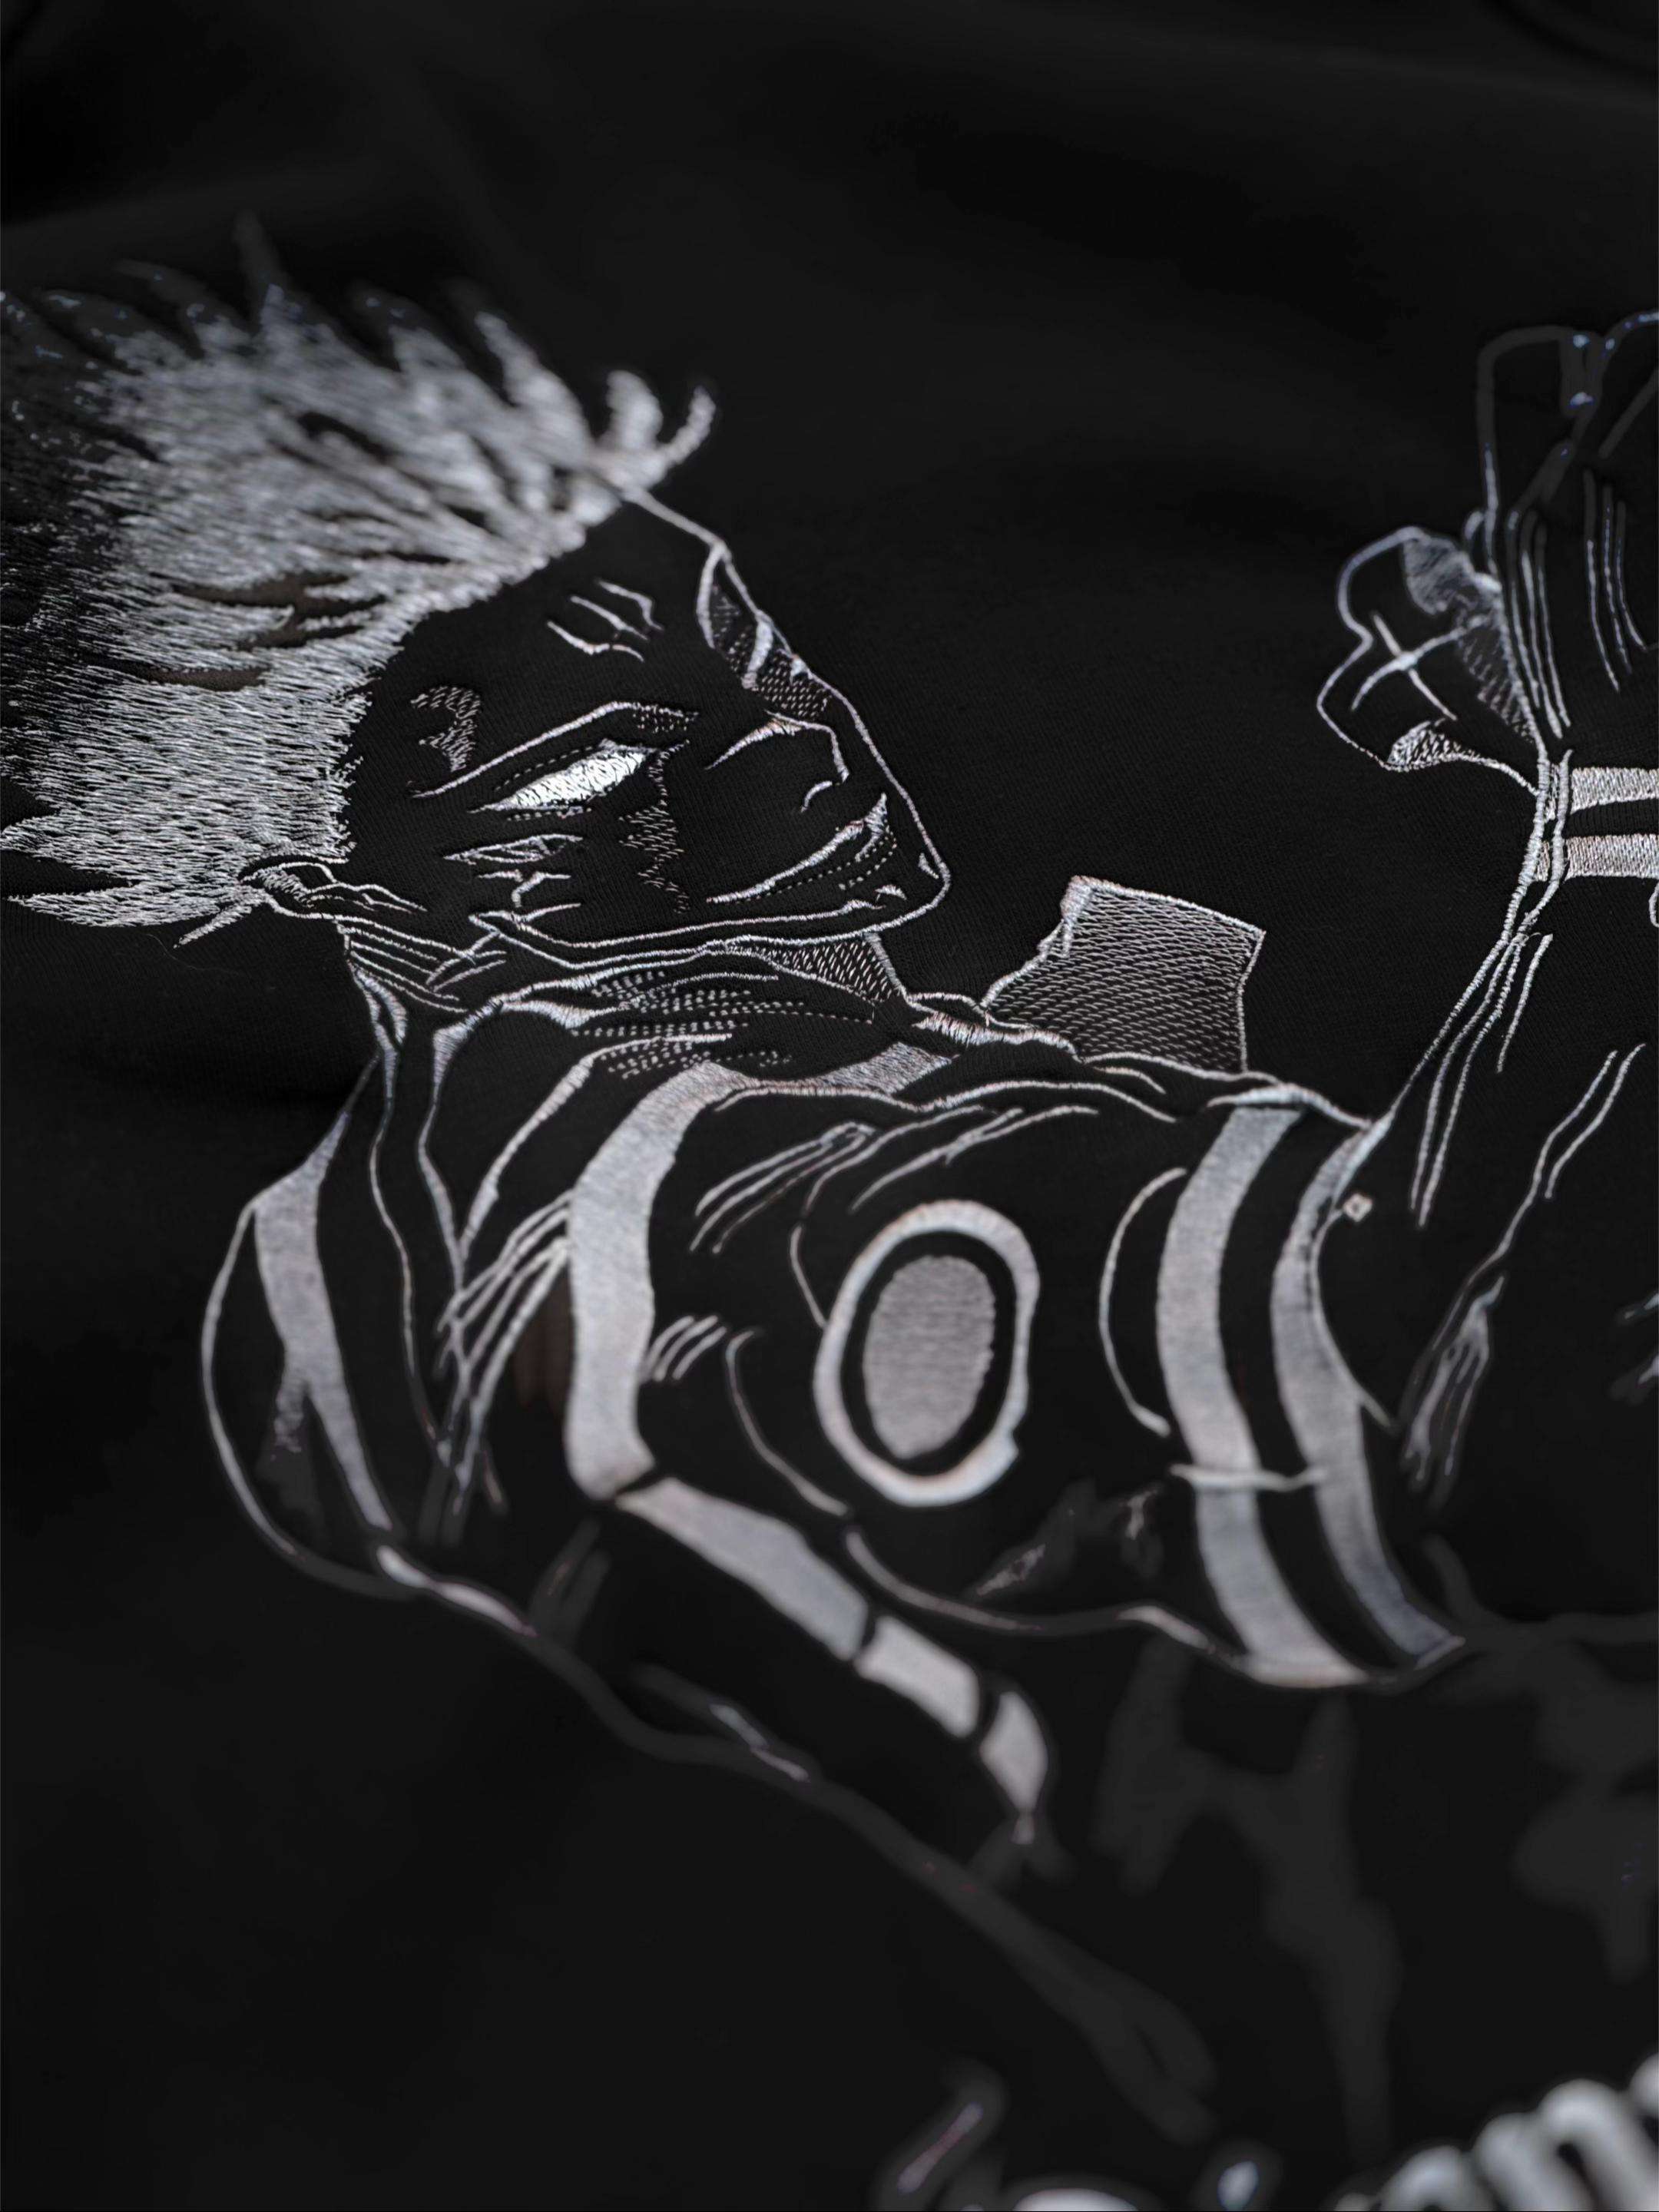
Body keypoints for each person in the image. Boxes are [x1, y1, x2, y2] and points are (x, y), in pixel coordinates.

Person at [6, 251, 1654, 2144]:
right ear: (361, 896)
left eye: (747, 641)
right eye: (616, 764)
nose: (789, 739)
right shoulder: (663, 1201)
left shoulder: (619, 1139)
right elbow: (1475, 1402)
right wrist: (1619, 809)